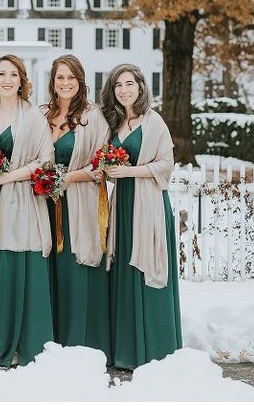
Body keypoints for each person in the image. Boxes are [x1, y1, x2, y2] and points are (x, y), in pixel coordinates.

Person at [0, 54, 54, 366]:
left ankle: (28, 342)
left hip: (22, 202)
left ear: (21, 81)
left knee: (21, 269)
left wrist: (8, 176)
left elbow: (45, 160)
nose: (7, 80)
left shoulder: (33, 117)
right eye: (1, 75)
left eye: (13, 75)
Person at [100, 64, 182, 369]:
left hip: (149, 206)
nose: (124, 90)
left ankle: (156, 351)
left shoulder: (154, 122)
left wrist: (130, 171)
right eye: (118, 85)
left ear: (141, 87)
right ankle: (126, 350)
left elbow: (165, 165)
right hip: (123, 205)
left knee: (148, 268)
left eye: (129, 84)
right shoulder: (115, 123)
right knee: (124, 271)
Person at [41, 55, 110, 351]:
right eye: (60, 77)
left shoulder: (93, 117)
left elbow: (101, 166)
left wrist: (67, 179)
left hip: (79, 204)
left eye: (71, 77)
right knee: (49, 269)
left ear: (80, 81)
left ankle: (81, 342)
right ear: (53, 82)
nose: (65, 83)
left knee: (75, 269)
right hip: (44, 203)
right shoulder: (41, 114)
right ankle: (50, 339)